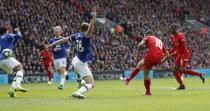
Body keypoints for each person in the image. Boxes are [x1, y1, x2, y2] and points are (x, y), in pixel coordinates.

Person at [48, 7, 97, 99]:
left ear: (80, 28)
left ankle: (80, 81)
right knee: (91, 84)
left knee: (81, 75)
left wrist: (52, 45)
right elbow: (90, 29)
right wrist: (94, 18)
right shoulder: (86, 37)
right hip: (81, 63)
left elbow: (63, 40)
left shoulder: (75, 35)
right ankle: (78, 92)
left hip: (75, 60)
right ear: (87, 30)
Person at [120, 30, 168, 95]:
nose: (144, 37)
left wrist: (138, 52)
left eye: (144, 36)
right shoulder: (160, 41)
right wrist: (161, 61)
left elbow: (140, 44)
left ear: (146, 35)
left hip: (150, 56)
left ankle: (147, 92)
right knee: (139, 64)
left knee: (146, 74)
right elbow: (167, 55)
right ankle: (128, 79)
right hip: (158, 58)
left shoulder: (148, 37)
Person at [168, 24, 205, 90]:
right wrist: (168, 53)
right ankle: (182, 85)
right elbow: (175, 47)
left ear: (175, 28)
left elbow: (183, 45)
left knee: (183, 70)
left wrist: (174, 53)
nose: (171, 30)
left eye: (172, 28)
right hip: (180, 54)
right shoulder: (173, 37)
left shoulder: (180, 35)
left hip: (184, 54)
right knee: (174, 69)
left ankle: (200, 74)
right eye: (170, 29)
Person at [0, 25, 27, 98]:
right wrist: (18, 30)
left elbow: (12, 42)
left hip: (1, 62)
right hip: (6, 58)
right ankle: (18, 86)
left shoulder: (1, 39)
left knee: (17, 74)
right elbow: (18, 36)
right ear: (6, 31)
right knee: (20, 69)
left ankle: (12, 90)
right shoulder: (8, 35)